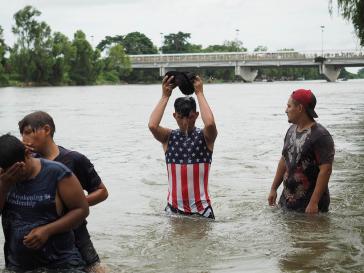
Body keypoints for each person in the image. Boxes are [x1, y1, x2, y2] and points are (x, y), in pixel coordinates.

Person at [18, 111, 108, 273]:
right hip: (41, 235)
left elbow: (102, 192)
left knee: (94, 269)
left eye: (28, 133)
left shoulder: (74, 159)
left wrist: (72, 205)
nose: (24, 139)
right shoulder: (29, 163)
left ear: (46, 130)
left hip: (75, 231)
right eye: (22, 134)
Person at [0, 134, 89, 271]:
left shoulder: (57, 173)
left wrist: (47, 230)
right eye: (10, 172)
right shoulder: (3, 178)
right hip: (18, 265)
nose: (15, 176)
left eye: (19, 169)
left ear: (27, 153)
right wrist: (4, 187)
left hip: (62, 263)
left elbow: (81, 210)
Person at [148, 74, 218, 219]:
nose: (185, 122)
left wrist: (199, 92)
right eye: (181, 117)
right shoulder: (168, 137)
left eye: (190, 117)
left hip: (201, 211)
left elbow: (210, 124)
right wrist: (165, 96)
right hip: (173, 210)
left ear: (197, 115)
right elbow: (152, 126)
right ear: (175, 116)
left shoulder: (206, 137)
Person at [268, 89, 335, 213]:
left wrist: (314, 203)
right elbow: (284, 160)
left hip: (310, 207)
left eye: (289, 106)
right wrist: (273, 189)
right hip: (286, 202)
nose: (285, 110)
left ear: (299, 108)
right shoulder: (291, 130)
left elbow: (326, 170)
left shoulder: (321, 135)